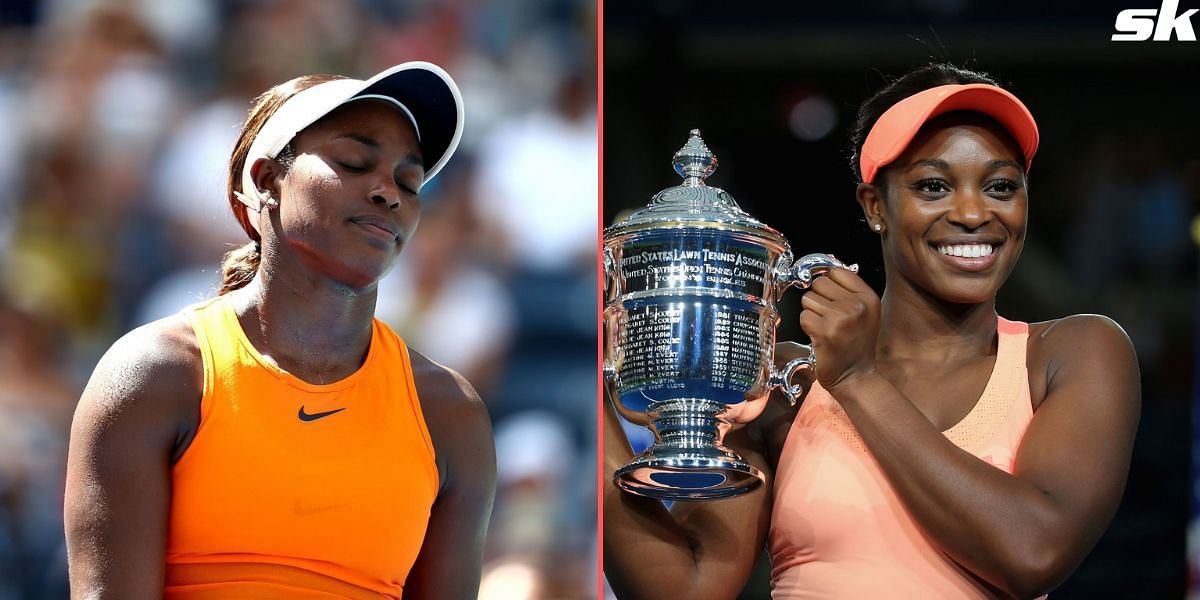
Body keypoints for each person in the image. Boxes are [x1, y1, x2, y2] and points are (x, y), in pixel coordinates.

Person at [603, 63, 1141, 599]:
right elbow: (685, 588)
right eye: (934, 186)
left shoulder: (1074, 352)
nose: (975, 213)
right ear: (876, 205)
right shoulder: (786, 382)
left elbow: (1032, 552)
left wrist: (860, 379)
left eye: (1001, 186)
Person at [64, 62, 496, 599]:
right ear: (268, 180)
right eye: (355, 162)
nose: (388, 193)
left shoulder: (451, 414)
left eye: (409, 182)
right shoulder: (156, 374)